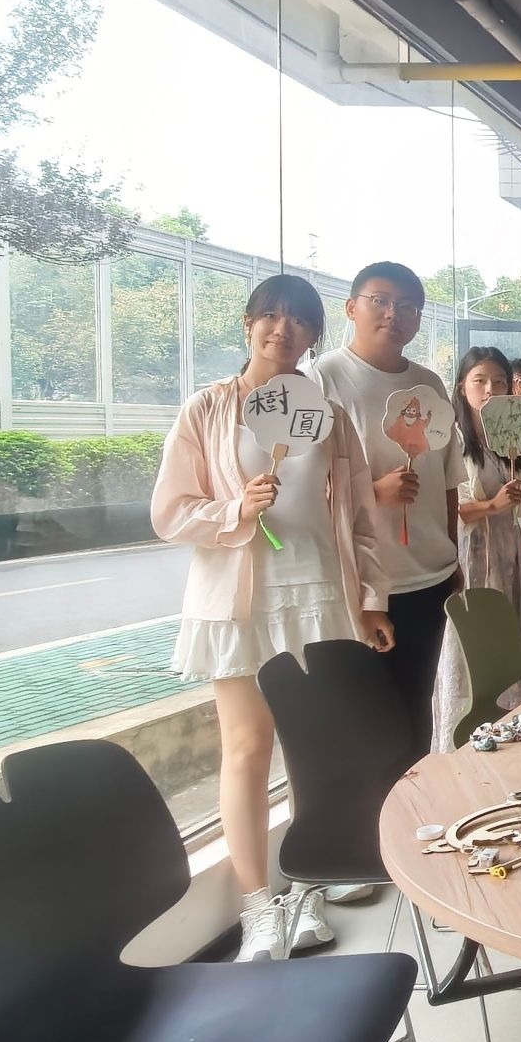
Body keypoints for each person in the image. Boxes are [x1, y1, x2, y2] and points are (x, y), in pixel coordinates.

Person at [154, 275, 390, 961]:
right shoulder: (208, 409)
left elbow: (359, 516)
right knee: (248, 747)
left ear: (315, 335)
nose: (282, 330)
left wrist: (371, 598)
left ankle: (309, 884)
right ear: (248, 323)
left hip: (320, 592)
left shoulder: (326, 415)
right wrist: (235, 509)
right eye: (270, 316)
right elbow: (170, 512)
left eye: (299, 321)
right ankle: (258, 907)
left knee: (318, 750)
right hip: (240, 602)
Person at [309, 262, 463, 761]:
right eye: (379, 300)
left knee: (416, 709)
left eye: (408, 306)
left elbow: (448, 481)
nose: (393, 313)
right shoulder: (322, 379)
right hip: (363, 582)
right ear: (351, 308)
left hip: (429, 575)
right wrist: (372, 492)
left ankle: (413, 806)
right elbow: (304, 487)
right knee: (365, 723)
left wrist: (453, 555)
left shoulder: (429, 384)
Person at [432, 346, 521, 748]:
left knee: (510, 639)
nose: (490, 389)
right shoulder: (452, 438)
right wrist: (491, 506)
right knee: (468, 645)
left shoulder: (512, 437)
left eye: (500, 381)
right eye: (480, 380)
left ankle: (510, 729)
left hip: (508, 550)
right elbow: (445, 507)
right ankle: (460, 739)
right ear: (461, 387)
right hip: (469, 552)